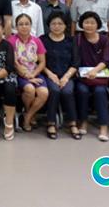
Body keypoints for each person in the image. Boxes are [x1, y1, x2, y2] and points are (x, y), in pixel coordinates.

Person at [41, 12, 80, 140]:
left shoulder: (71, 40)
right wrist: (50, 74)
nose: (57, 26)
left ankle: (73, 123)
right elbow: (40, 62)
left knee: (67, 91)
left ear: (65, 25)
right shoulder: (43, 40)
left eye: (60, 24)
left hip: (67, 75)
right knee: (54, 90)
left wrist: (66, 77)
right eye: (53, 24)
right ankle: (51, 123)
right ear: (49, 25)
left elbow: (75, 62)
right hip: (48, 74)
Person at [75, 11, 109, 141]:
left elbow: (106, 59)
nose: (89, 25)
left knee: (100, 92)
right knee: (82, 91)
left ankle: (103, 127)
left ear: (98, 25)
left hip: (99, 76)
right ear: (81, 24)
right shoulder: (78, 39)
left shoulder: (104, 39)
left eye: (92, 23)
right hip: (82, 77)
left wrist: (95, 71)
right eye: (86, 22)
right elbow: (75, 58)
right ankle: (83, 122)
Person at [8, 14, 47, 133]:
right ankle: (28, 116)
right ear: (16, 27)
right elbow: (14, 63)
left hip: (35, 72)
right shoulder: (11, 41)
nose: (24, 27)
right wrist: (27, 76)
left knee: (44, 92)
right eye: (21, 24)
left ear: (31, 26)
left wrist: (33, 74)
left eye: (27, 24)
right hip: (19, 74)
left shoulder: (37, 41)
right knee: (30, 89)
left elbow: (42, 62)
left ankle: (28, 115)